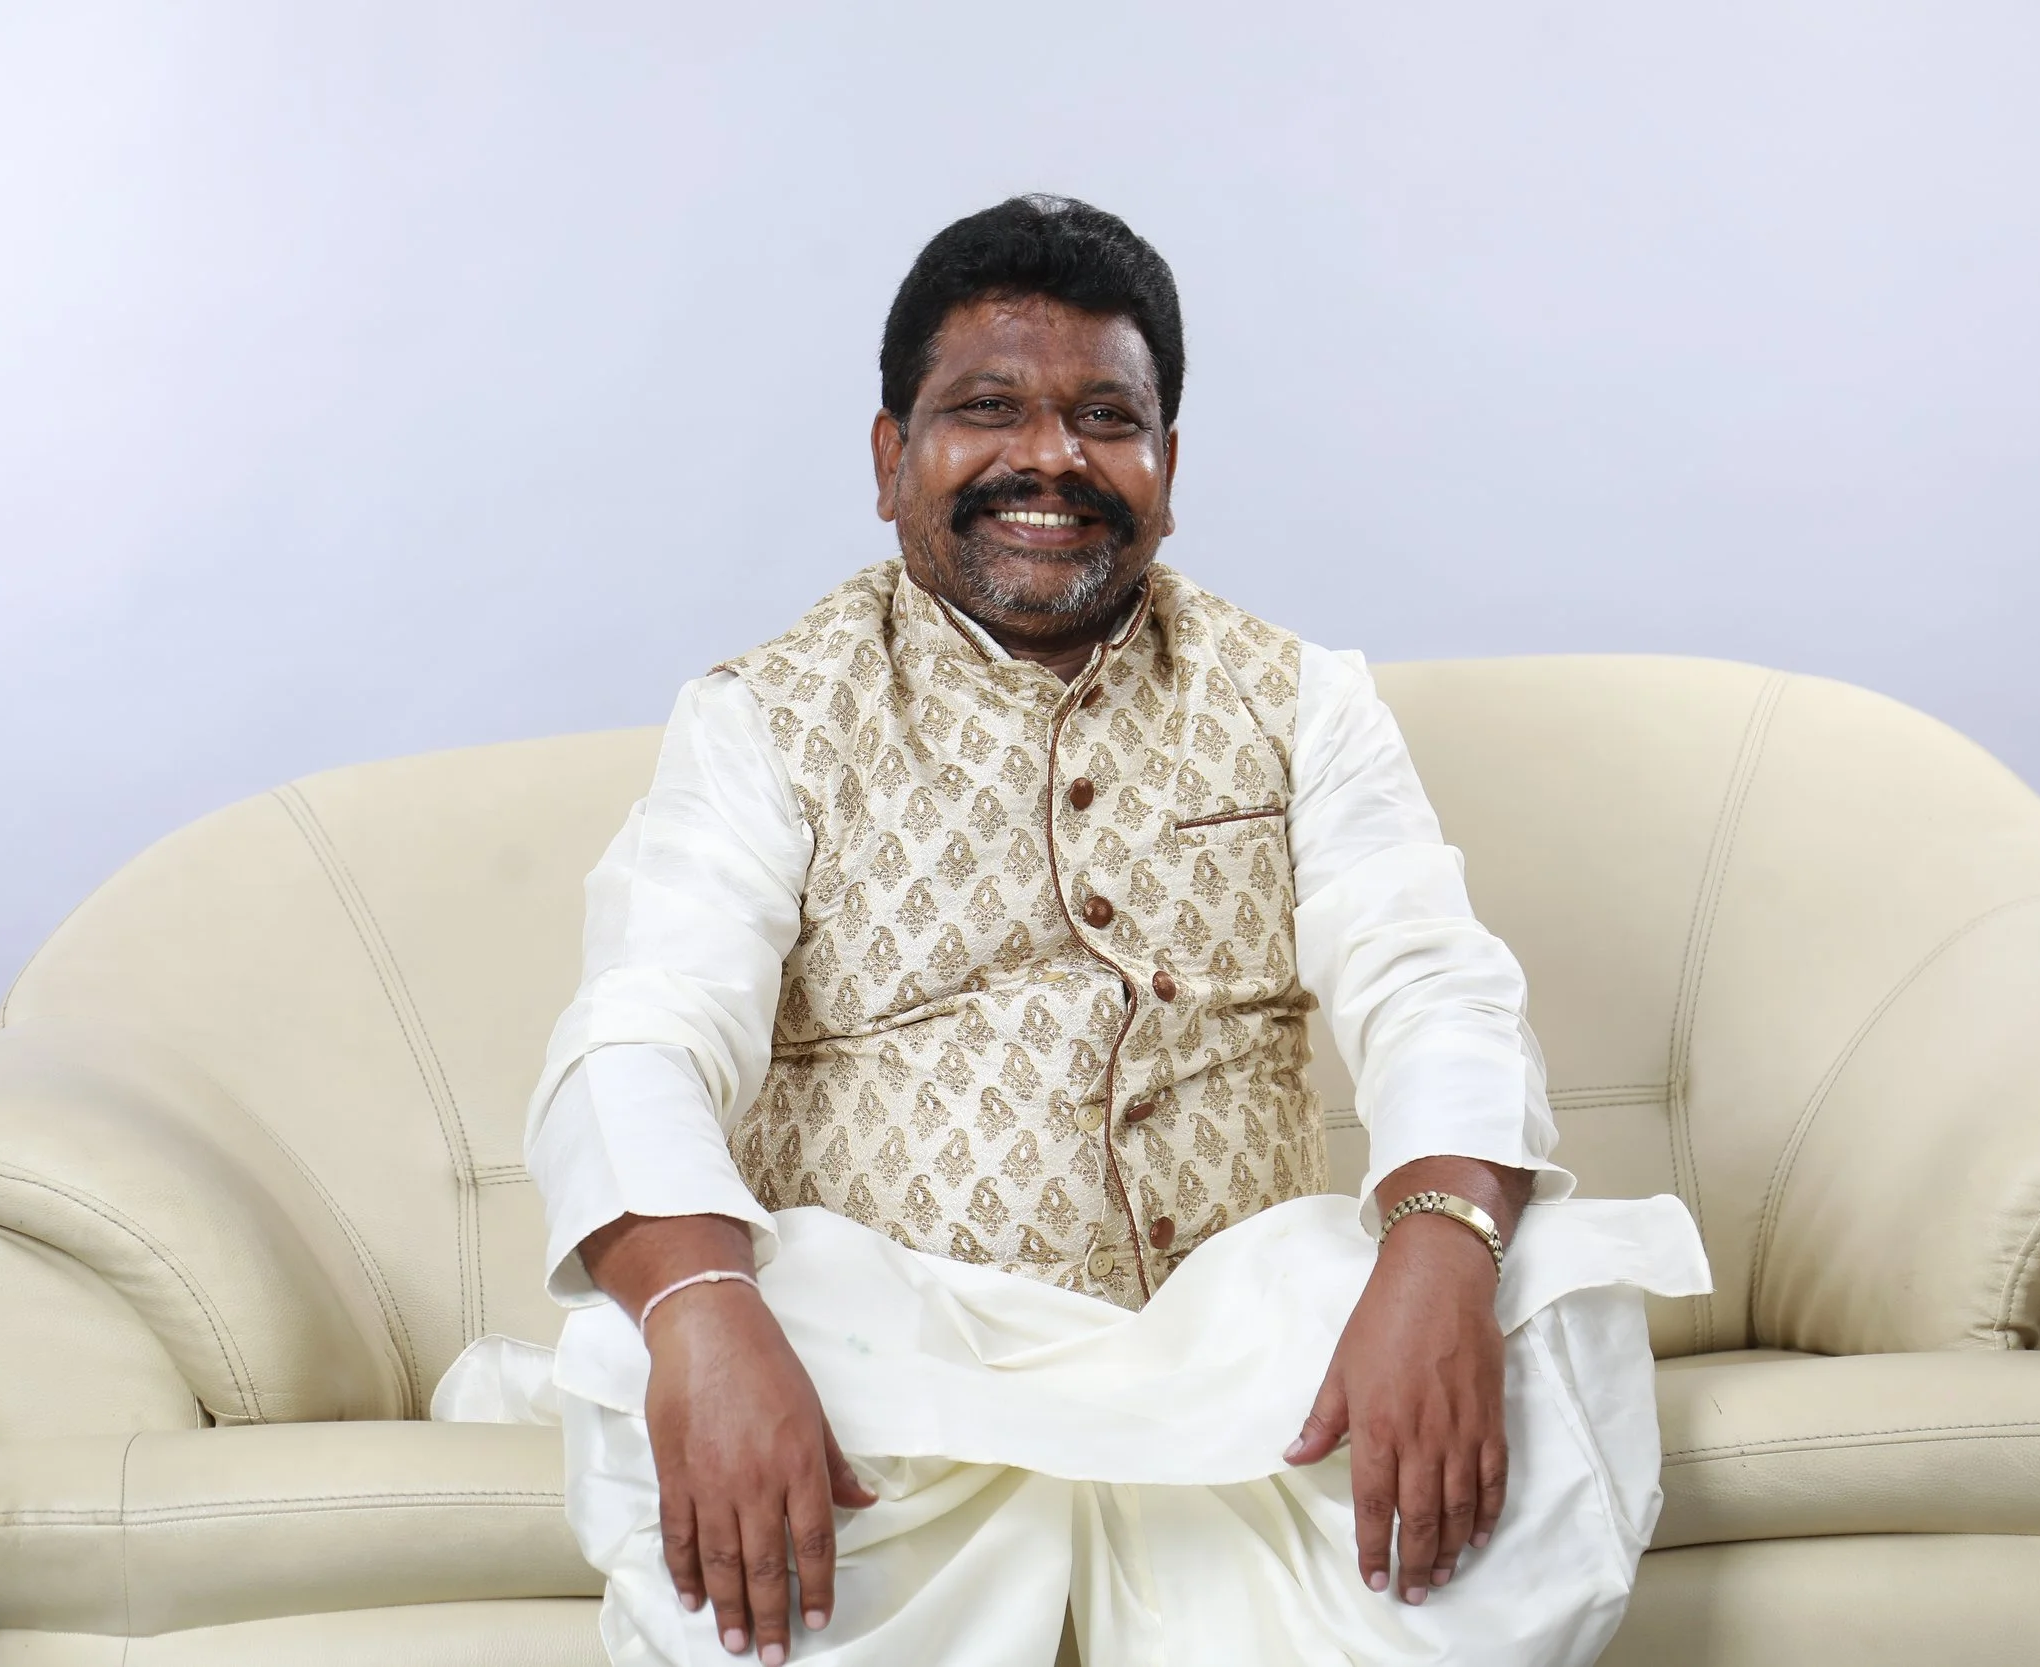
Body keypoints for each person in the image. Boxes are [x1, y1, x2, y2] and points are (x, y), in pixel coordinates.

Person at [470, 194, 1708, 1666]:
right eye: (986, 408)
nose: (1049, 457)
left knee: (1546, 1282)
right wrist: (700, 1309)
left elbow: (1426, 974)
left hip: (1233, 1358)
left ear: (1168, 468)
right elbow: (644, 1028)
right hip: (899, 1366)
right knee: (669, 1323)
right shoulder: (764, 722)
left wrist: (1439, 1259)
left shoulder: (1300, 695)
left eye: (1104, 415)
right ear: (891, 460)